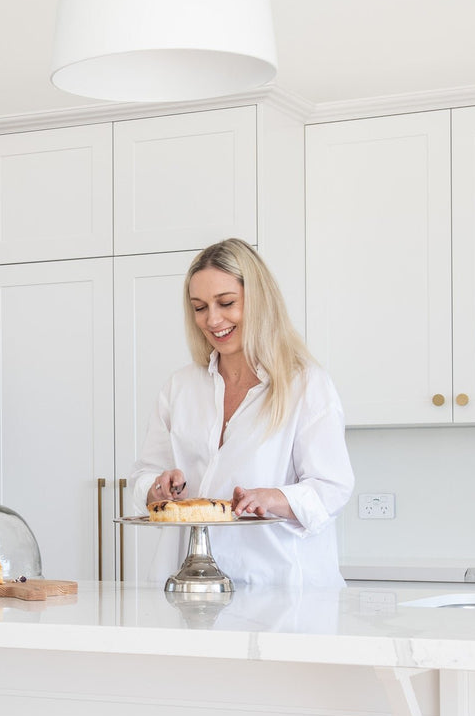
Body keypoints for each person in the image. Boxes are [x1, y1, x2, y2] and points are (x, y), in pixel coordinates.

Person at [128, 237, 354, 588]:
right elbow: (144, 474)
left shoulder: (305, 384)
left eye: (227, 303)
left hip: (278, 590)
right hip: (190, 588)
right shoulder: (180, 387)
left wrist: (273, 498)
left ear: (259, 301)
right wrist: (156, 489)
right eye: (199, 307)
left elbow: (333, 488)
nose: (212, 320)